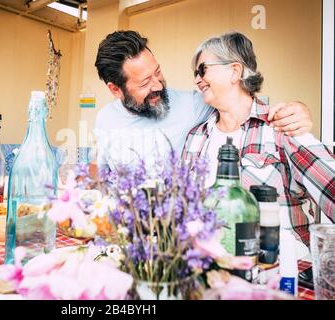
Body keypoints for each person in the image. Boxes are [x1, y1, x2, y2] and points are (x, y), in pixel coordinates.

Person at [182, 31, 334, 245]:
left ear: (234, 71)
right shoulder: (195, 137)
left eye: (202, 69)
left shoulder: (282, 126)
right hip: (212, 272)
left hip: (279, 272)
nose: (197, 79)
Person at [94, 30, 313, 172]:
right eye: (144, 83)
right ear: (116, 89)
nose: (158, 85)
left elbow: (241, 100)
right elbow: (102, 170)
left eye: (157, 72)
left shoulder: (193, 105)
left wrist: (298, 110)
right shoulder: (105, 119)